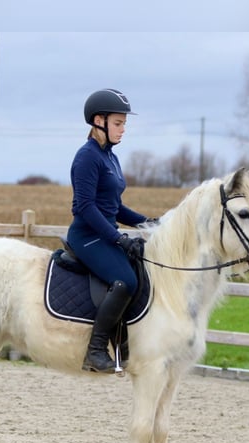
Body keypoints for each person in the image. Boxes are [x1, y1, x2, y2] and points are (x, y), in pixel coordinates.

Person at [66, 88, 155, 373]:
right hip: (87, 235)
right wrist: (118, 238)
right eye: (118, 123)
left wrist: (149, 223)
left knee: (140, 270)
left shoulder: (110, 158)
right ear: (98, 121)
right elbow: (86, 208)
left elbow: (115, 207)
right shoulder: (87, 157)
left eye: (124, 124)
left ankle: (124, 343)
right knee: (125, 281)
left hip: (103, 233)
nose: (123, 129)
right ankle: (95, 351)